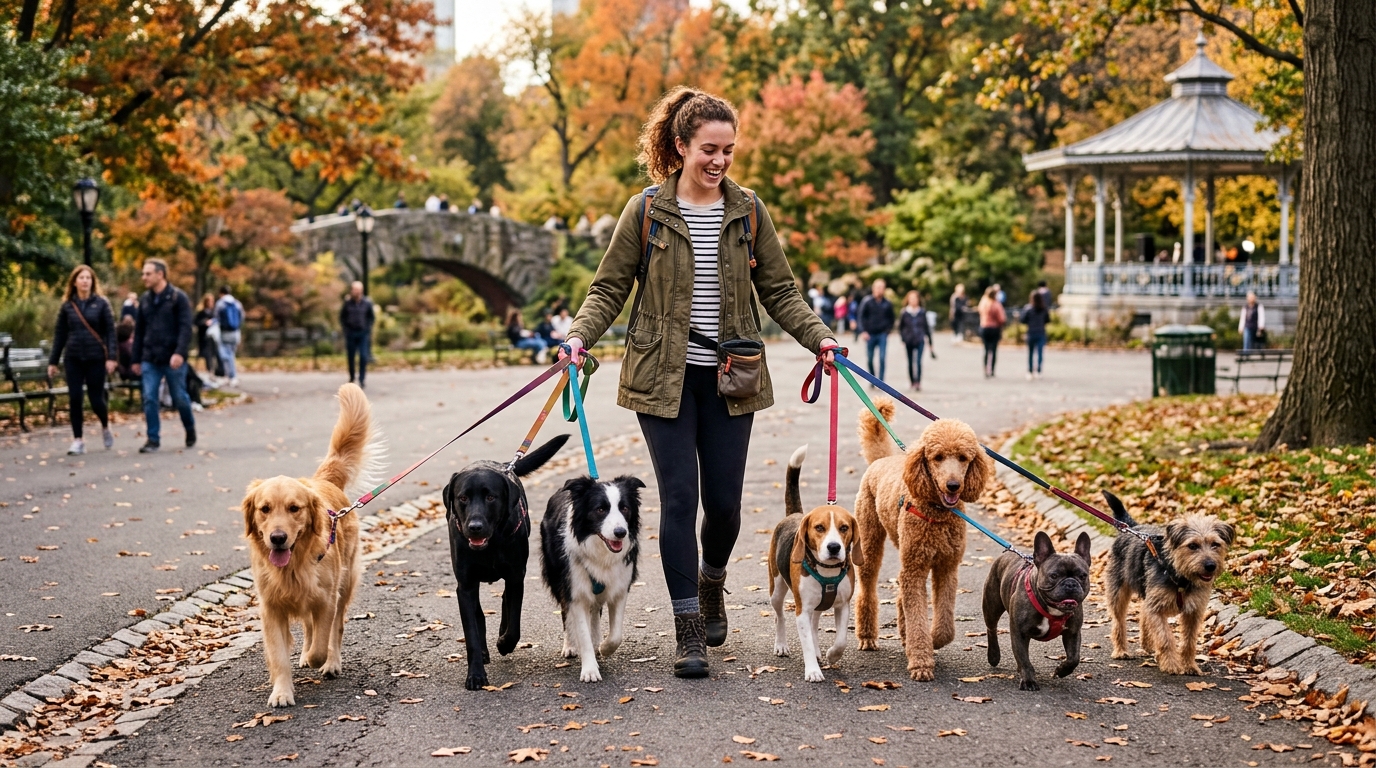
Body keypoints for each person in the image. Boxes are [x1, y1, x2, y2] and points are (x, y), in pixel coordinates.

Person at [558, 86, 837, 680]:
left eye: (729, 150)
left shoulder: (749, 211)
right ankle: (689, 631)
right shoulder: (646, 212)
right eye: (709, 149)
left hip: (732, 376)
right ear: (681, 146)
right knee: (680, 498)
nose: (719, 161)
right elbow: (608, 288)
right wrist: (580, 337)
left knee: (726, 508)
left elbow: (782, 291)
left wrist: (822, 340)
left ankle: (712, 581)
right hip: (662, 376)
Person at [47, 265, 117, 454]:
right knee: (75, 398)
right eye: (81, 277)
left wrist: (111, 357)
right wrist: (53, 362)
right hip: (74, 357)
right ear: (74, 282)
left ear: (93, 282)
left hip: (95, 357)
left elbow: (111, 332)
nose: (85, 281)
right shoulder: (68, 306)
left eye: (88, 278)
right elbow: (60, 334)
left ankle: (105, 425)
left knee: (96, 399)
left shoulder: (102, 303)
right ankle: (78, 440)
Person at [132, 258, 195, 453]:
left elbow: (186, 329)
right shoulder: (145, 300)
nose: (144, 277)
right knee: (150, 397)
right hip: (150, 358)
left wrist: (179, 353)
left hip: (173, 358)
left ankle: (190, 429)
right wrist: (136, 359)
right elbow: (139, 331)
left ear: (160, 274)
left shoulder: (178, 298)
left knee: (180, 398)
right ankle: (153, 439)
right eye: (143, 273)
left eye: (148, 273)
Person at [857, 278, 894, 383]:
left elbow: (891, 318)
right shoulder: (867, 302)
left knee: (882, 358)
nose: (879, 290)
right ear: (873, 288)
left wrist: (888, 330)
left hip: (882, 334)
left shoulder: (887, 303)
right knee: (870, 359)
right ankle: (873, 379)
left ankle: (881, 381)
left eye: (882, 288)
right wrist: (863, 331)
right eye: (878, 287)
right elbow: (860, 317)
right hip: (870, 334)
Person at [898, 290, 935, 391]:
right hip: (909, 340)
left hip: (919, 339)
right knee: (910, 362)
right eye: (911, 299)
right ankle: (912, 381)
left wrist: (930, 343)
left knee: (918, 362)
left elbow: (926, 328)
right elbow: (901, 327)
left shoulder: (922, 312)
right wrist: (903, 338)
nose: (913, 301)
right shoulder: (905, 312)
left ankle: (918, 382)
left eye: (915, 299)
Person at [340, 281, 375, 388]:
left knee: (363, 356)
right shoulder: (347, 303)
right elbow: (342, 317)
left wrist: (368, 328)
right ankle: (352, 377)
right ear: (352, 290)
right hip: (351, 333)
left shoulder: (367, 303)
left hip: (363, 333)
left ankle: (362, 379)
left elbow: (371, 317)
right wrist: (346, 329)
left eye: (359, 289)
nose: (357, 292)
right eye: (355, 289)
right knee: (351, 357)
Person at [214, 286, 243, 387]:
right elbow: (241, 317)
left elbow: (216, 318)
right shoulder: (237, 303)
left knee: (226, 355)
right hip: (235, 332)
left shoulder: (220, 303)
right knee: (231, 354)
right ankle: (229, 376)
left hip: (225, 333)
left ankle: (232, 376)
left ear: (221, 293)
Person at [978, 284, 1006, 378]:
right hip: (994, 328)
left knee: (986, 350)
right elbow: (1001, 318)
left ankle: (985, 369)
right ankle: (992, 370)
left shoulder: (983, 303)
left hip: (984, 327)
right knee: (993, 350)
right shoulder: (996, 304)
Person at [1023, 290, 1051, 380]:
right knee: (1039, 353)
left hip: (1031, 332)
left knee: (1030, 353)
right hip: (1040, 332)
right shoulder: (1044, 309)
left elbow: (1023, 320)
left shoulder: (1028, 309)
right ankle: (1038, 371)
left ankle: (1030, 371)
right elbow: (1048, 320)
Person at [194, 294, 222, 379]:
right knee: (205, 355)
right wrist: (204, 322)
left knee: (213, 355)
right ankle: (202, 372)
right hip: (203, 337)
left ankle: (214, 371)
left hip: (213, 337)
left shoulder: (214, 313)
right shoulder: (201, 313)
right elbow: (196, 322)